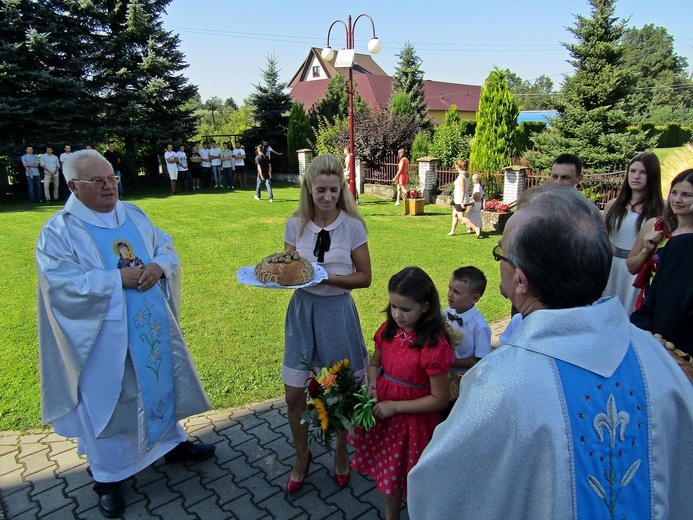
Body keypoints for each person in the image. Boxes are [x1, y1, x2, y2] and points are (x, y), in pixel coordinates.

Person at [407, 183, 693, 519]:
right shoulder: (660, 362)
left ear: (521, 281)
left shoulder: (500, 383)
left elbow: (438, 494)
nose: (500, 262)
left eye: (502, 255)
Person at [36, 150, 215, 518]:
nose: (109, 186)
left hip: (149, 327)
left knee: (159, 382)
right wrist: (116, 279)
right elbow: (60, 286)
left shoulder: (133, 214)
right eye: (98, 181)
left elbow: (166, 248)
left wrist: (159, 266)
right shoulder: (60, 231)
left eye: (112, 177)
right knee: (111, 400)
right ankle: (109, 477)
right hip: (102, 340)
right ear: (73, 186)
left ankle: (171, 444)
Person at [282, 153, 371, 494]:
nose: (327, 197)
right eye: (321, 190)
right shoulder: (295, 225)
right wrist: (290, 278)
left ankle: (340, 451)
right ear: (308, 188)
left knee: (341, 391)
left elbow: (365, 277)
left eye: (334, 190)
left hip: (337, 312)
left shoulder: (352, 225)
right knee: (294, 394)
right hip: (303, 311)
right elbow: (290, 270)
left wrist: (329, 278)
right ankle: (301, 457)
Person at [350, 266, 453, 520]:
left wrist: (395, 406)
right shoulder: (388, 331)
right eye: (394, 306)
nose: (397, 314)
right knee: (389, 472)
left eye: (406, 309)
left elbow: (439, 398)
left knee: (414, 477)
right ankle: (391, 515)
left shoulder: (432, 345)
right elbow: (375, 364)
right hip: (384, 416)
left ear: (426, 307)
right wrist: (372, 386)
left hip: (413, 424)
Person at [630, 168, 693, 352]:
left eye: (686, 195)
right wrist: (646, 251)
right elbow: (632, 266)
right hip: (652, 305)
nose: (677, 200)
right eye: (674, 193)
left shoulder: (686, 243)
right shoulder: (657, 226)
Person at [602, 152, 663, 313]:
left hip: (637, 269)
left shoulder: (660, 209)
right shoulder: (612, 205)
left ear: (653, 176)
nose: (636, 176)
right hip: (611, 267)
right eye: (633, 171)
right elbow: (600, 238)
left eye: (643, 172)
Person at [441, 265, 491, 418]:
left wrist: (451, 362)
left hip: (462, 385)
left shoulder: (479, 327)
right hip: (441, 378)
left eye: (456, 292)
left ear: (474, 298)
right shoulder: (445, 314)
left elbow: (479, 360)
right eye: (450, 288)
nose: (450, 294)